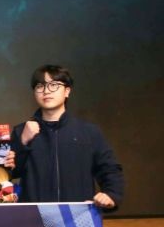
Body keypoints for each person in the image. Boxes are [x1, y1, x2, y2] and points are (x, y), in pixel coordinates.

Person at [9, 64, 123, 209]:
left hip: (77, 215)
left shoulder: (88, 131)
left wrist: (111, 194)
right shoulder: (21, 131)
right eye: (40, 86)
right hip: (35, 217)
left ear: (67, 91)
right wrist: (22, 142)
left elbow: (109, 168)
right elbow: (9, 173)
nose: (46, 91)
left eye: (53, 85)